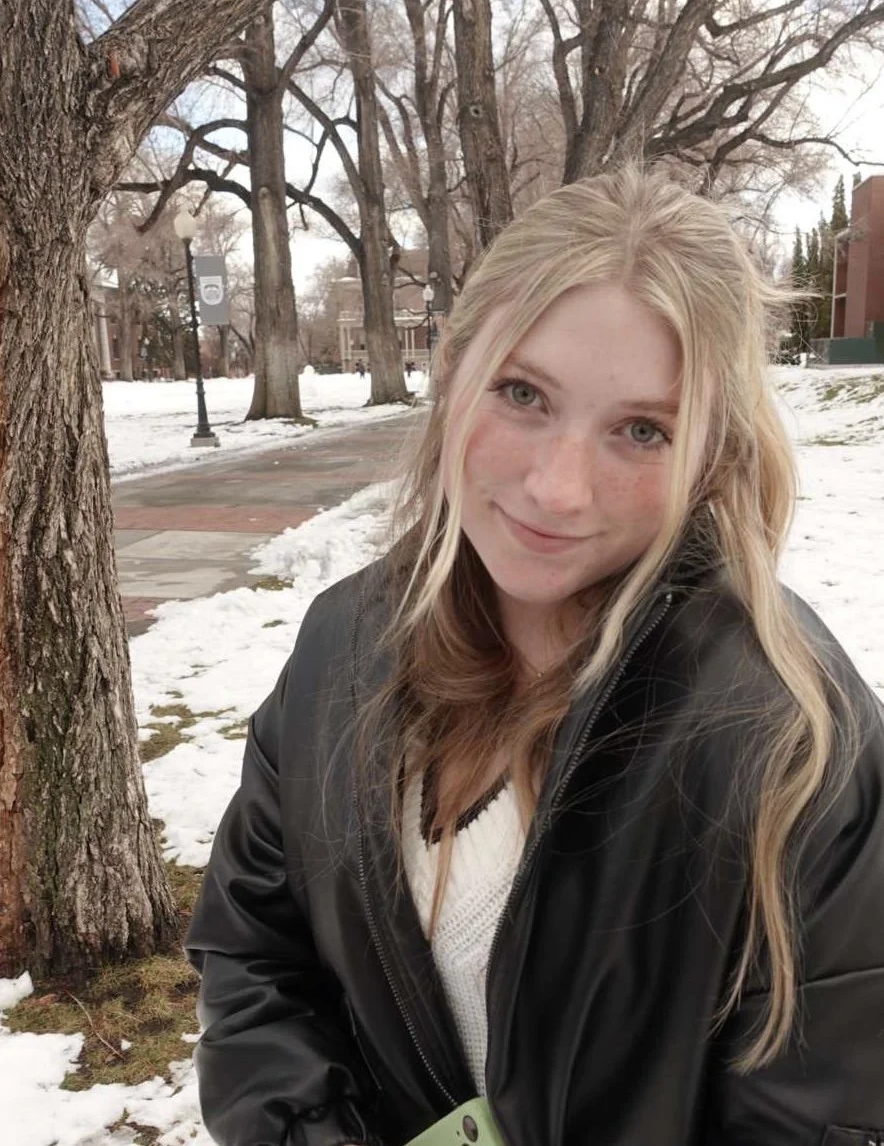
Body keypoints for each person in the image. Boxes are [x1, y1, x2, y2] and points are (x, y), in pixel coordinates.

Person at [186, 166, 884, 1146]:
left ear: (713, 450)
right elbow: (255, 957)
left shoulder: (791, 739)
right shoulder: (336, 649)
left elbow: (818, 1116)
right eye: (522, 394)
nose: (558, 489)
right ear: (456, 369)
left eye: (641, 430)